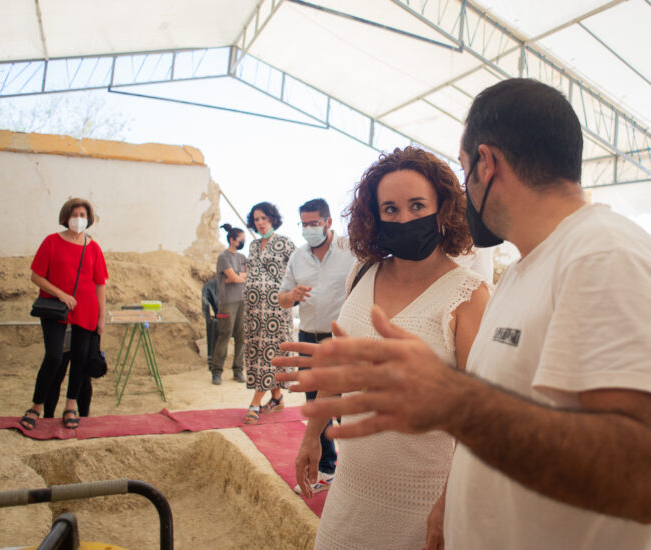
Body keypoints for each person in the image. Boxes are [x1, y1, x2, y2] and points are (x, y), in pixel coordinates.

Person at [279, 79, 651, 549]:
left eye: (463, 167)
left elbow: (638, 470)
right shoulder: (524, 271)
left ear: (486, 163)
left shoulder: (603, 254)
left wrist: (456, 400)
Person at [275, 147, 489, 548]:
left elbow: (477, 418)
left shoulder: (468, 296)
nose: (404, 218)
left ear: (443, 208)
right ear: (375, 216)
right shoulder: (362, 274)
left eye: (416, 205)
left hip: (423, 501)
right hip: (351, 491)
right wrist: (311, 435)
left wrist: (450, 502)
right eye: (390, 209)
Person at [277, 198, 354, 494]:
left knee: (345, 402)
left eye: (314, 223)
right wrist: (292, 295)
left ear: (328, 222)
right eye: (304, 224)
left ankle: (354, 467)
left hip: (342, 339)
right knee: (315, 403)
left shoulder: (350, 250)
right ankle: (326, 468)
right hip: (309, 338)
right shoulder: (298, 257)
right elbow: (282, 298)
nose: (309, 229)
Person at [20, 198, 108, 431]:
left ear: (88, 219)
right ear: (66, 216)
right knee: (54, 357)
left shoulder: (94, 247)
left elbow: (100, 284)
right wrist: (61, 294)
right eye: (75, 214)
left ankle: (71, 406)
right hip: (55, 308)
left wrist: (101, 318)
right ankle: (36, 406)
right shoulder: (51, 242)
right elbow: (36, 276)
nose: (79, 219)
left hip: (87, 309)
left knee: (79, 360)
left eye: (83, 215)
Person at [242, 201, 296, 424]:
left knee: (270, 354)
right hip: (254, 313)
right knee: (258, 355)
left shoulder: (285, 243)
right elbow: (250, 272)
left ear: (272, 219)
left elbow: (296, 272)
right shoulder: (253, 246)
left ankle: (255, 403)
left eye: (264, 218)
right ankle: (276, 398)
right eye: (256, 220)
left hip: (275, 312)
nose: (260, 223)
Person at [209, 223, 248, 385]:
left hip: (243, 301)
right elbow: (233, 278)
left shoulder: (242, 258)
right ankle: (216, 371)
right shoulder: (223, 257)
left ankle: (238, 371)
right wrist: (238, 277)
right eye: (241, 239)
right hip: (227, 303)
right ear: (232, 240)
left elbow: (246, 275)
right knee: (224, 336)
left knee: (242, 337)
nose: (243, 242)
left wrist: (236, 276)